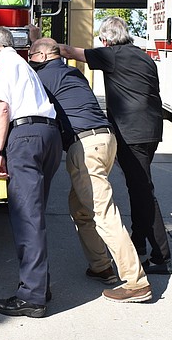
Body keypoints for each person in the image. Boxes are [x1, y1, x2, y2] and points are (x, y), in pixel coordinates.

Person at [29, 38, 152, 303]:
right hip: (106, 141)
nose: (29, 59)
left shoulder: (42, 78)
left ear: (40, 56)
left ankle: (136, 282)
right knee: (80, 208)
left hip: (85, 146)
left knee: (102, 213)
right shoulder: (73, 73)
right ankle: (101, 266)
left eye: (30, 54)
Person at [58, 16, 172, 275]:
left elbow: (67, 51)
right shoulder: (143, 56)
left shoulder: (111, 55)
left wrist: (34, 40)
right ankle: (139, 243)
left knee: (143, 192)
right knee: (137, 187)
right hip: (151, 129)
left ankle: (161, 256)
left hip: (131, 133)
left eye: (102, 40)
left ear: (106, 40)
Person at [0, 27, 61, 318]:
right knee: (36, 215)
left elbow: (1, 109)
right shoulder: (23, 64)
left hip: (26, 136)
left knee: (27, 218)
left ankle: (31, 297)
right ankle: (40, 285)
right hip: (49, 135)